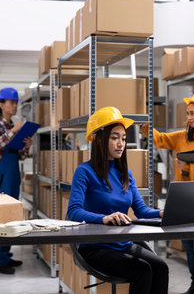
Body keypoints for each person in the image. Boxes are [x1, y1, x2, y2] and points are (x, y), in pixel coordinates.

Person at [67, 106, 169, 294]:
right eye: (114, 137)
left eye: (123, 138)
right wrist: (103, 218)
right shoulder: (84, 172)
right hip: (95, 247)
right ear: (98, 140)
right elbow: (73, 211)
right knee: (143, 270)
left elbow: (141, 211)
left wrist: (163, 212)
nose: (120, 143)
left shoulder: (125, 174)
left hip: (123, 243)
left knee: (161, 267)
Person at [141, 92, 194, 294]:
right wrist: (143, 123)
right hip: (182, 201)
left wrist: (187, 169)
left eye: (192, 113)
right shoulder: (181, 137)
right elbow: (159, 139)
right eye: (187, 113)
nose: (189, 118)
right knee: (189, 246)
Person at [0, 87, 33, 274]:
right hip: (1, 175)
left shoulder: (12, 126)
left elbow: (20, 155)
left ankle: (6, 255)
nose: (15, 106)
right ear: (1, 104)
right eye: (11, 102)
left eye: (16, 103)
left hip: (13, 174)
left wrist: (26, 146)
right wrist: (13, 130)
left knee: (12, 216)